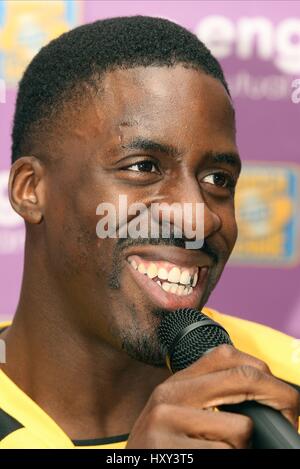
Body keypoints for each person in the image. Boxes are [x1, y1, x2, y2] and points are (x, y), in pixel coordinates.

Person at [0, 16, 299, 449]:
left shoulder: (281, 392)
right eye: (143, 167)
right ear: (31, 190)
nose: (197, 218)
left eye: (217, 178)